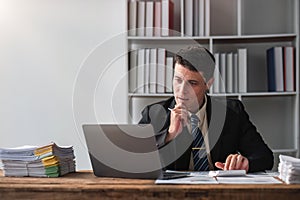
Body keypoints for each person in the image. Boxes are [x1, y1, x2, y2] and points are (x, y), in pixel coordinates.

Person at [139, 45, 274, 173]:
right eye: (178, 80)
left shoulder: (232, 112)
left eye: (192, 83)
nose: (182, 91)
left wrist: (246, 163)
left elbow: (265, 157)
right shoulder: (154, 114)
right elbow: (134, 160)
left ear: (208, 83)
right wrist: (169, 135)